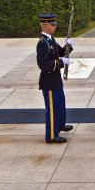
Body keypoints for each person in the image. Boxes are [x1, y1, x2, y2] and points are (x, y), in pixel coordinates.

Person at [36, 14, 74, 143]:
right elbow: (43, 64)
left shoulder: (51, 40)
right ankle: (52, 136)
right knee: (52, 108)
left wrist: (69, 46)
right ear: (45, 26)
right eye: (53, 24)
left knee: (60, 104)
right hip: (49, 81)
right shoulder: (43, 43)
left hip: (55, 79)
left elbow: (62, 53)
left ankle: (60, 125)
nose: (55, 26)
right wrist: (62, 63)